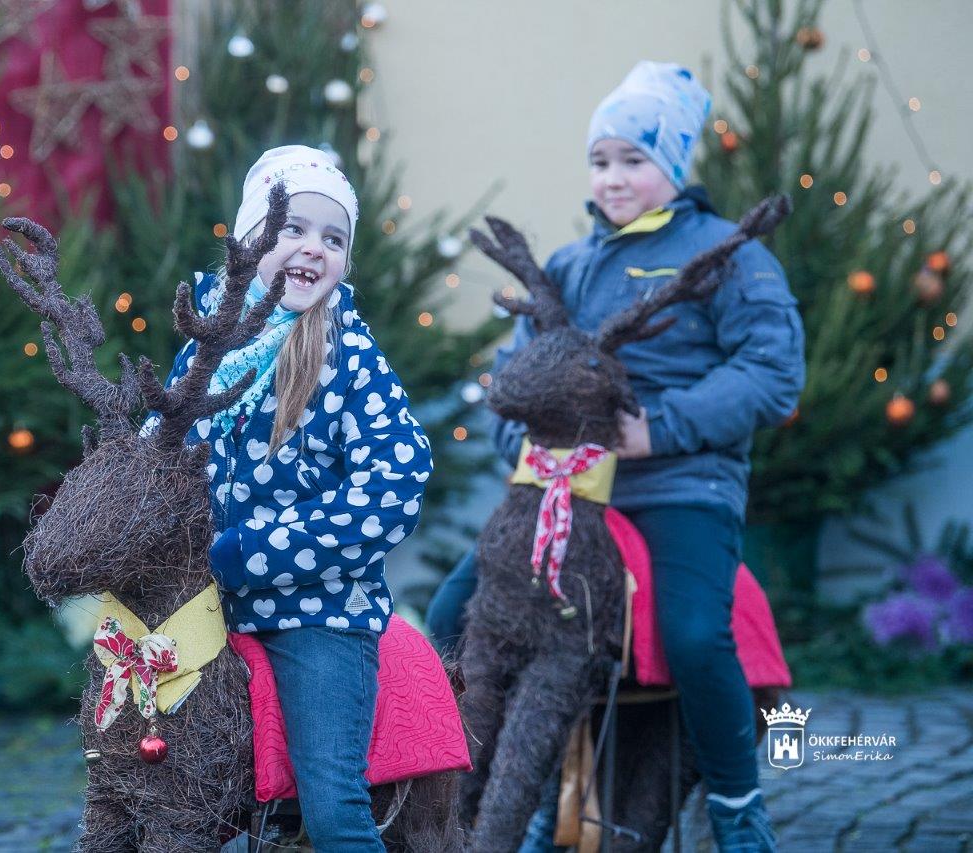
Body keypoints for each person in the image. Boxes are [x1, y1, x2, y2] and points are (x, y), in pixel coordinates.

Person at [427, 62, 804, 852]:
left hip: (677, 485)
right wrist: (524, 442)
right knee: (450, 612)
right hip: (559, 495)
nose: (613, 177)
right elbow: (513, 380)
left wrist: (658, 427)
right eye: (600, 160)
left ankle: (738, 808)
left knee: (695, 633)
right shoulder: (566, 267)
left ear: (676, 163)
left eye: (635, 158)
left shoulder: (726, 255)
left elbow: (773, 372)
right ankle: (468, 802)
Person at [157, 145, 433, 851]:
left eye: (333, 238)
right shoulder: (209, 344)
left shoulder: (348, 354)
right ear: (252, 240)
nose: (314, 248)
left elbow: (394, 482)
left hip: (318, 611)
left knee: (332, 804)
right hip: (203, 607)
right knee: (153, 780)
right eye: (293, 228)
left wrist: (251, 552)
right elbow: (163, 448)